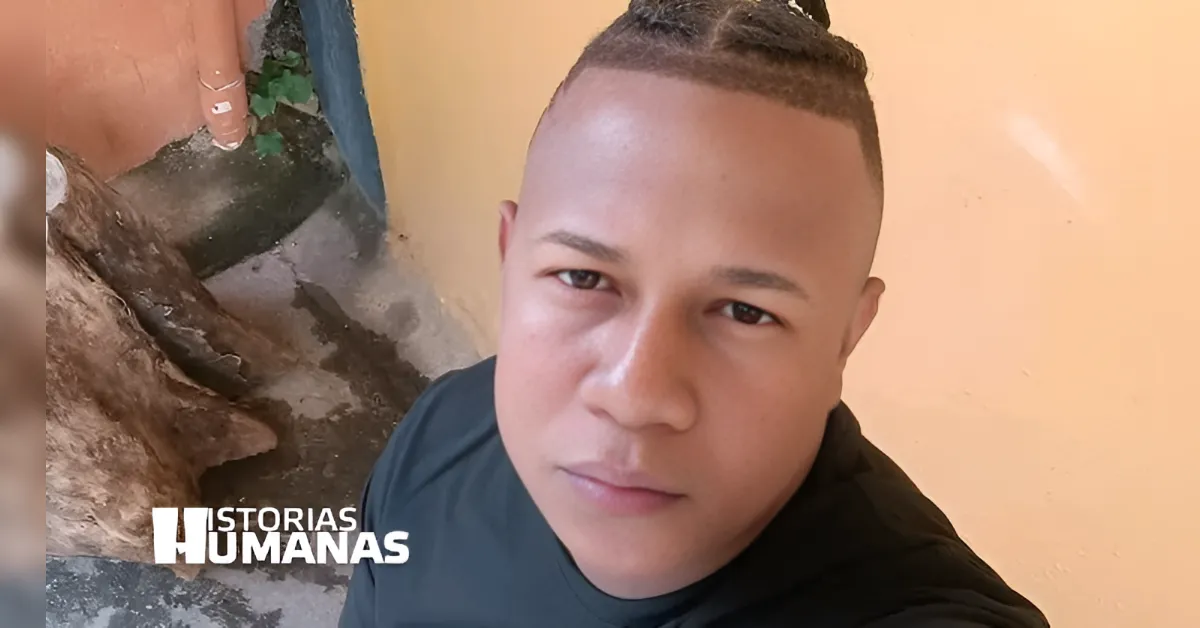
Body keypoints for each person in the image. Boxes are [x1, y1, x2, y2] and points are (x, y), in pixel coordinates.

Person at [340, 1, 1049, 626]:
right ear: (510, 259)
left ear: (847, 338)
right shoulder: (440, 438)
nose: (635, 395)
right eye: (584, 277)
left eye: (745, 311)